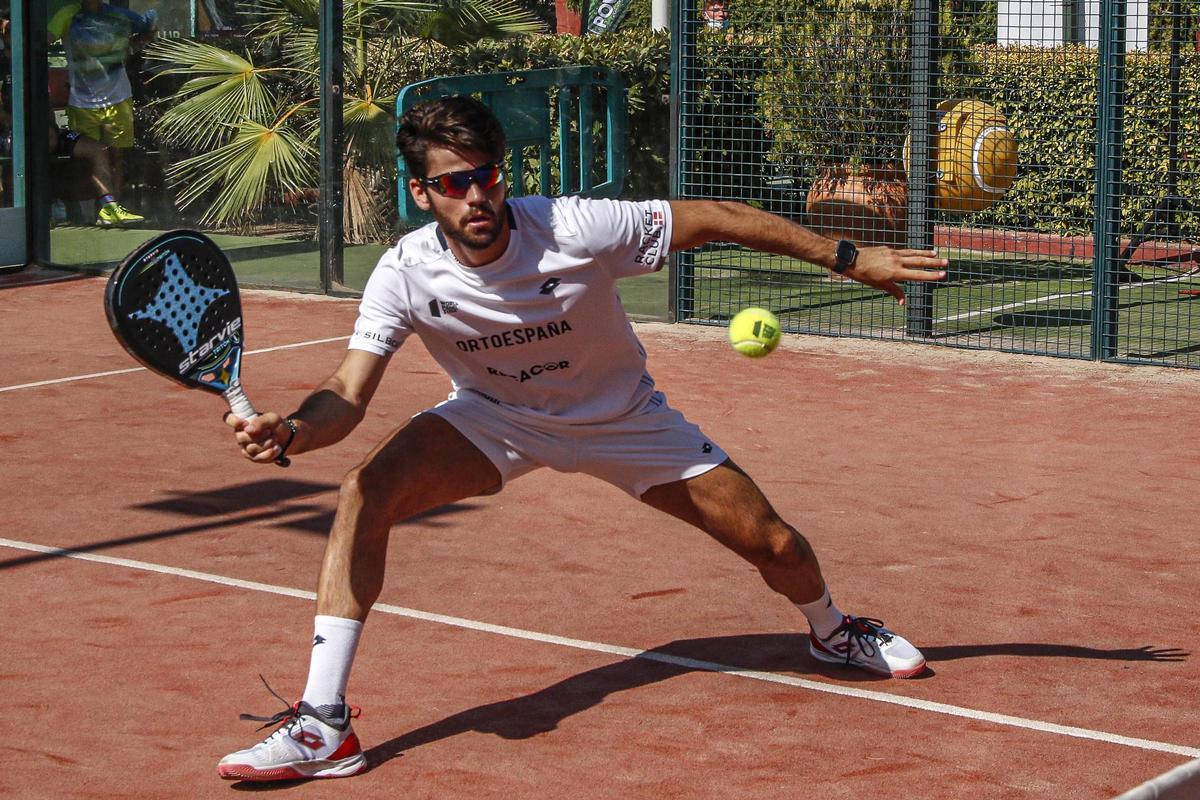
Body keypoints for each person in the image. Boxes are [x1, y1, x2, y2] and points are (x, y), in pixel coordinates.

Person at [216, 95, 948, 782]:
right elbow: (347, 393)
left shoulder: (573, 226)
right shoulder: (406, 273)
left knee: (776, 546)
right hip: (494, 417)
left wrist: (850, 258)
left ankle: (831, 630)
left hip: (624, 420)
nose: (475, 197)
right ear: (420, 193)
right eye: (452, 185)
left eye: (485, 177)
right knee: (364, 492)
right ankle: (323, 725)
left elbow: (718, 216)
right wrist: (295, 431)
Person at [0, 13, 141, 224]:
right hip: (13, 134)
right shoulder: (2, 64)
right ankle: (39, 210)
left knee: (98, 150)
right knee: (42, 142)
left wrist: (49, 126)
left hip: (49, 132)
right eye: (11, 31)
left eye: (20, 31)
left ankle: (109, 207)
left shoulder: (34, 63)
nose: (17, 36)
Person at [47, 0, 155, 226]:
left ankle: (113, 212)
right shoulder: (68, 15)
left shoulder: (119, 15)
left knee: (116, 157)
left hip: (119, 99)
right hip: (82, 103)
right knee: (88, 160)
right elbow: (43, 40)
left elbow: (148, 29)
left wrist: (133, 44)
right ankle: (85, 214)